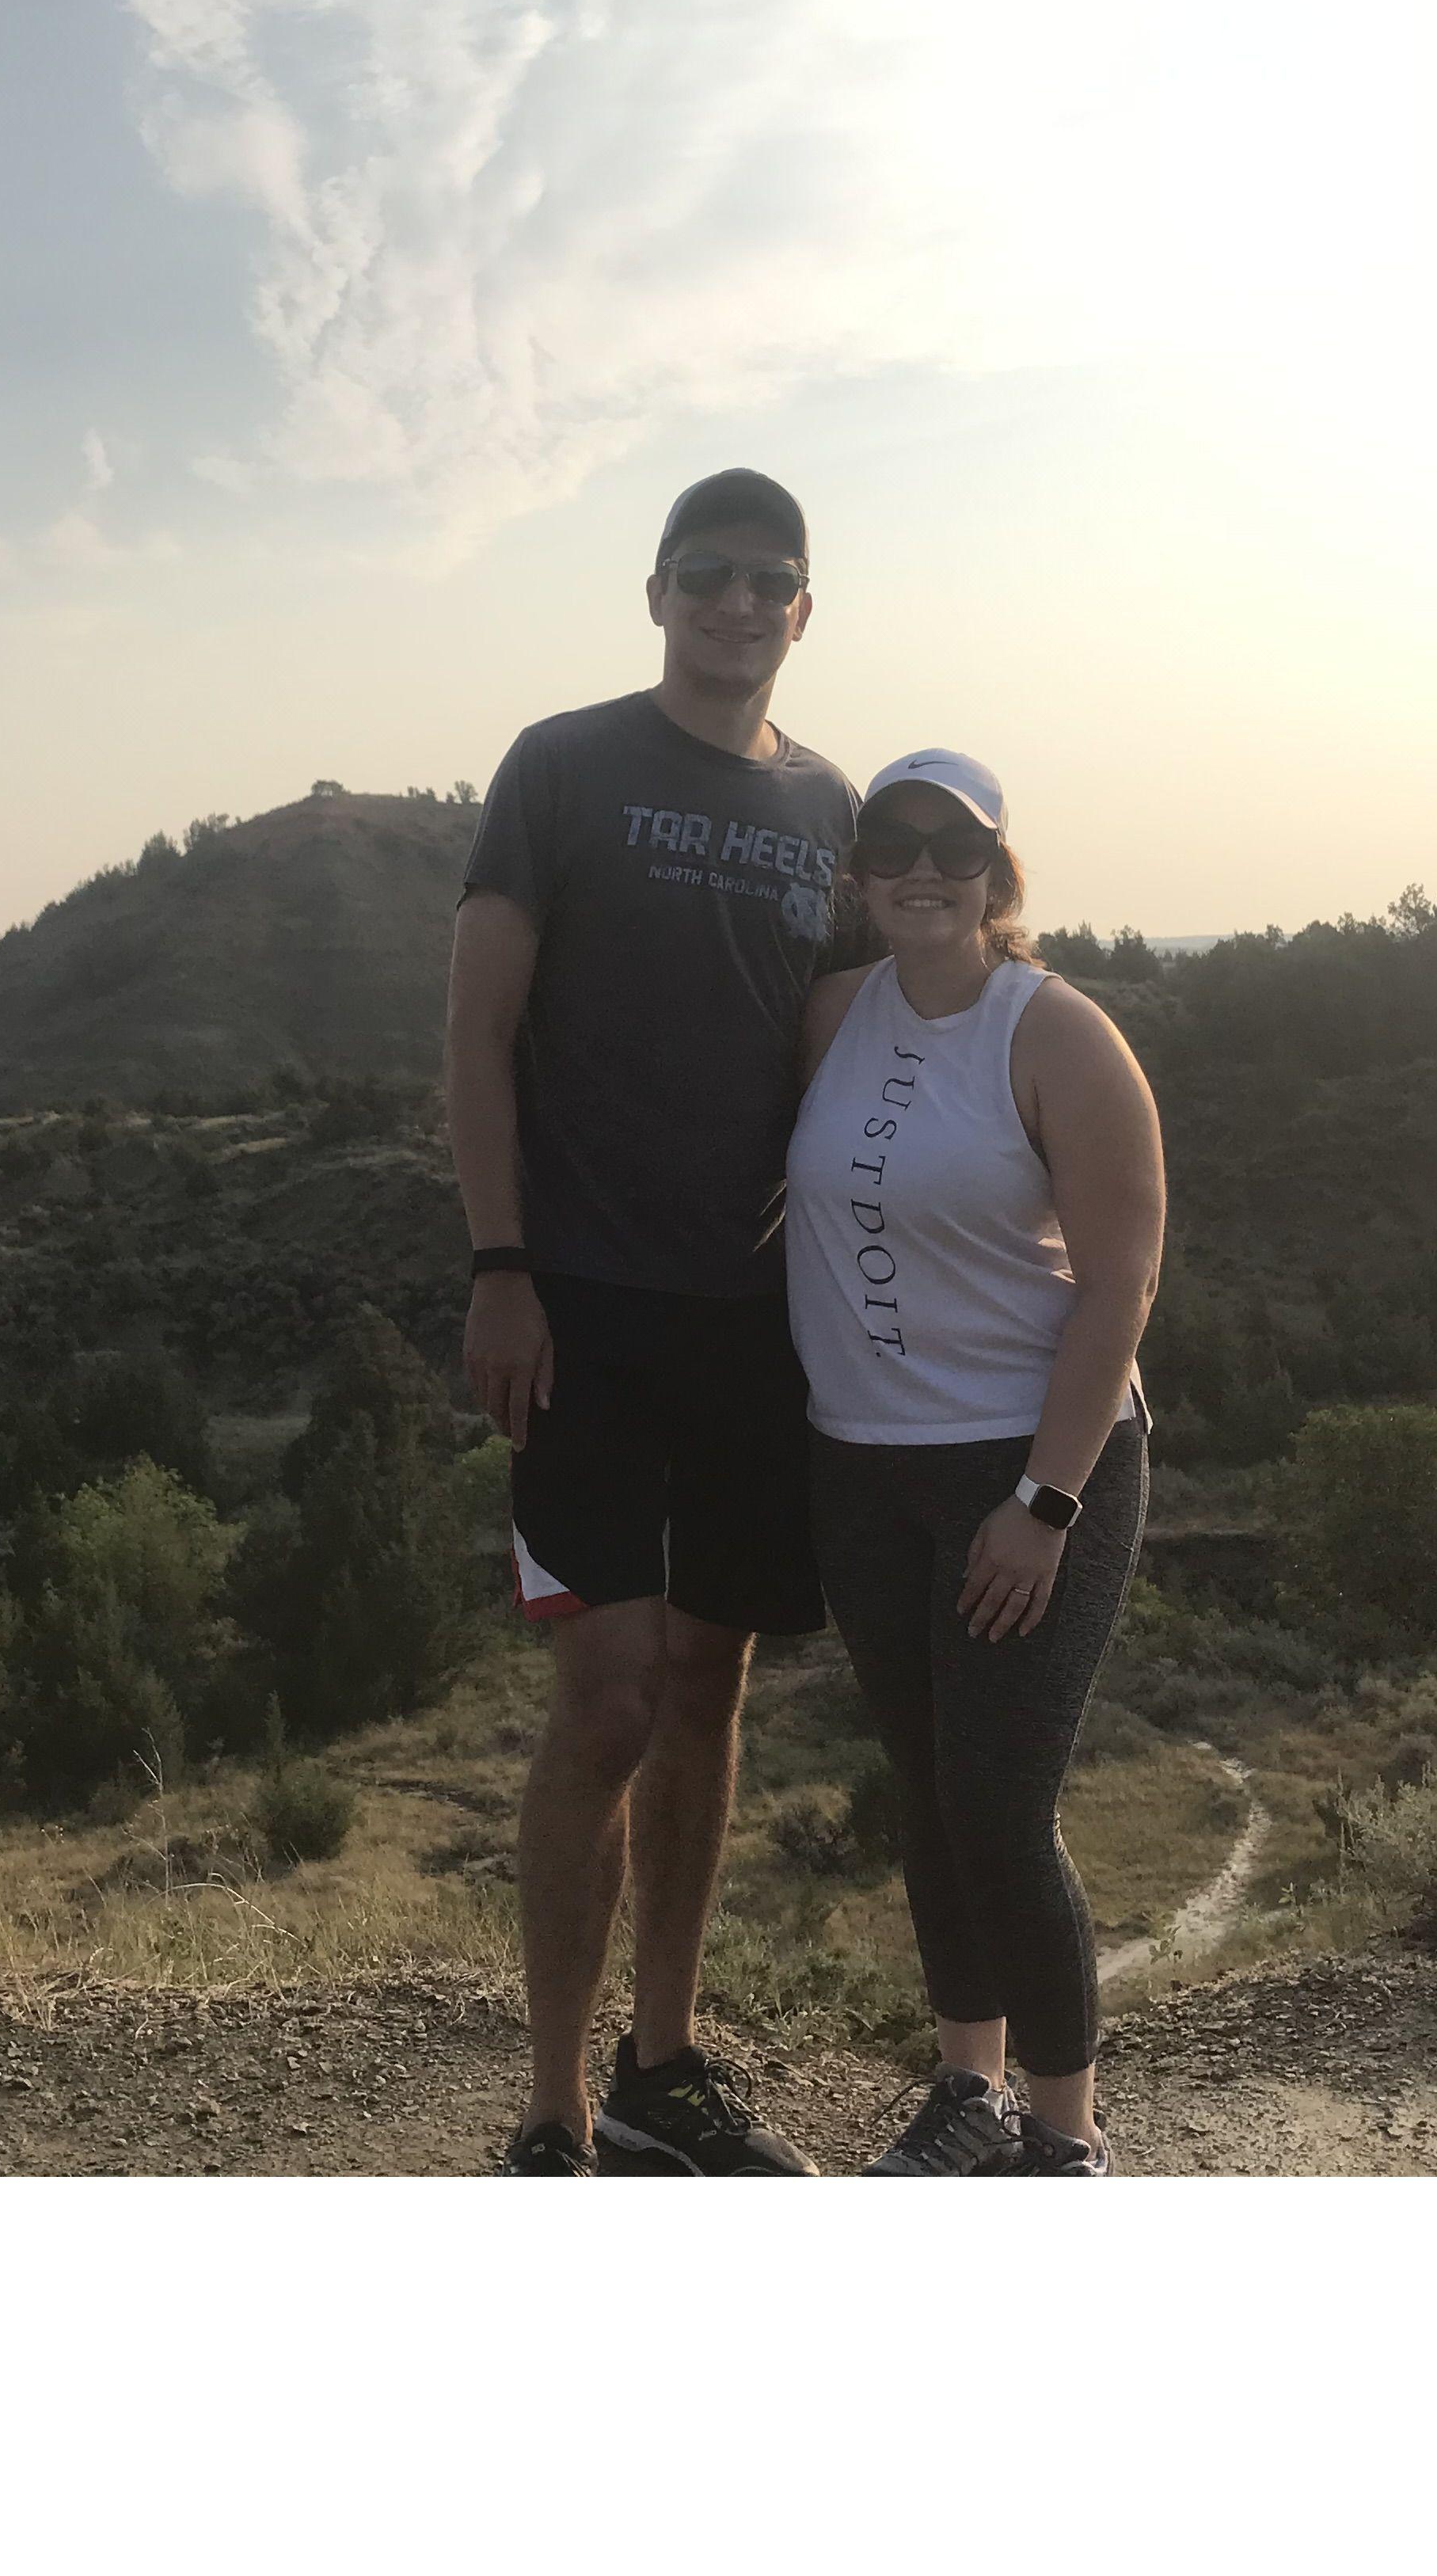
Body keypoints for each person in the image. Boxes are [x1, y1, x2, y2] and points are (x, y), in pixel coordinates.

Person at [448, 469, 860, 2175]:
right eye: (708, 574)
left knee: (711, 1678)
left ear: (803, 610)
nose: (738, 602)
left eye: (770, 579)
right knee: (607, 1700)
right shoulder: (561, 766)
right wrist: (499, 1266)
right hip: (583, 1308)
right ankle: (552, 2111)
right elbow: (474, 1036)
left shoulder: (835, 811)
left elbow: (843, 1070)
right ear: (657, 592)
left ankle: (665, 2066)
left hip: (758, 1322)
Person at [783, 750, 1165, 2174]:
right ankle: (967, 2091)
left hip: (1032, 1464)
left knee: (1000, 1808)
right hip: (862, 1468)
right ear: (863, 872)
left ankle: (1062, 2140)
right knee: (928, 1789)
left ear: (1000, 875)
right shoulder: (832, 1017)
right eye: (898, 842)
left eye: (961, 846)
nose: (928, 866)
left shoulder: (1057, 1035)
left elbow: (1122, 1280)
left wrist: (1044, 1503)